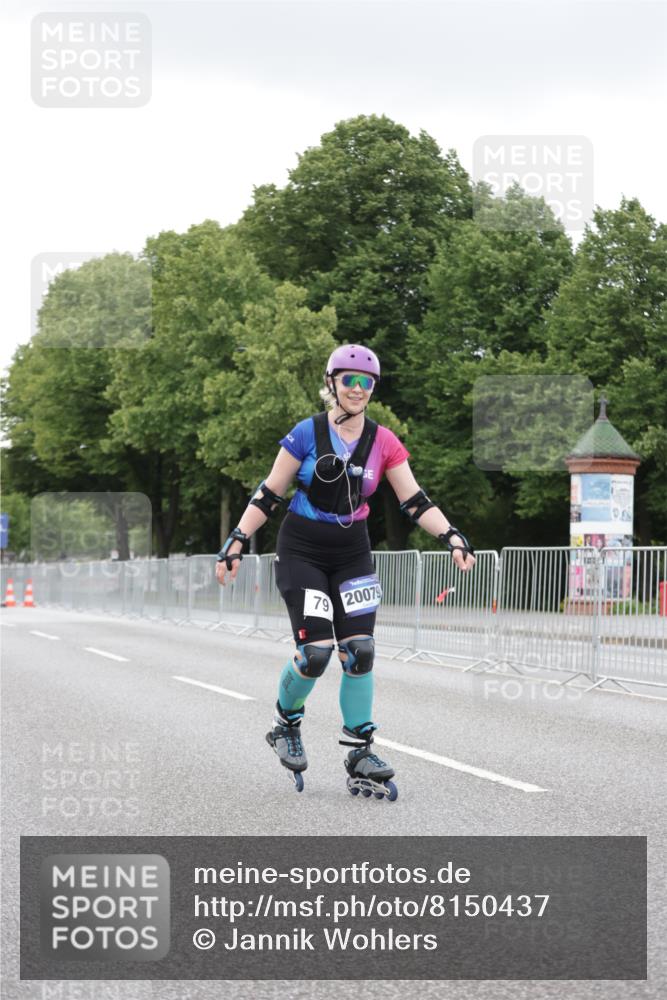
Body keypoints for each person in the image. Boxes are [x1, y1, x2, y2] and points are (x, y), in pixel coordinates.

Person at [216, 344, 475, 797]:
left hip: (353, 551)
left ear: (373, 388)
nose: (357, 389)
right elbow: (268, 495)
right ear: (332, 383)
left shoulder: (384, 441)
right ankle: (286, 723)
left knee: (360, 650)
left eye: (366, 382)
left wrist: (451, 535)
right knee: (316, 653)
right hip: (302, 548)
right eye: (349, 380)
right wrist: (236, 541)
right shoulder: (306, 433)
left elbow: (414, 500)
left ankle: (359, 748)